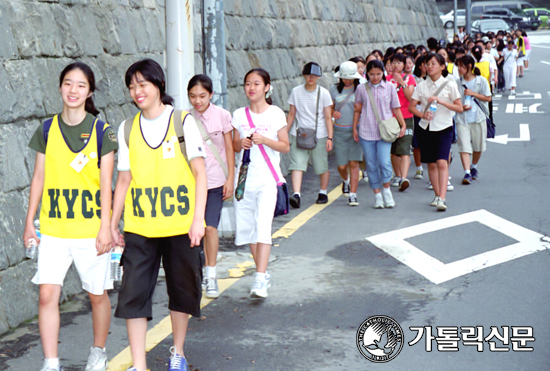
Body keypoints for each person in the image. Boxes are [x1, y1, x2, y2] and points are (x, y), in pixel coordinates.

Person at [110, 59, 207, 371]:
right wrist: (113, 224)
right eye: (132, 86)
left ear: (158, 86)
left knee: (183, 291)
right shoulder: (127, 128)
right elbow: (123, 179)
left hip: (181, 225)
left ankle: (177, 351)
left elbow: (200, 174)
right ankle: (139, 365)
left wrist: (197, 219)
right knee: (133, 295)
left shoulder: (182, 122)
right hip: (140, 227)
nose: (137, 91)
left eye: (143, 84)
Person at [24, 62, 116, 371]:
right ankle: (51, 362)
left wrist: (107, 228)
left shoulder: (102, 131)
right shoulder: (47, 129)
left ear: (89, 91)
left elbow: (107, 185)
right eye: (68, 83)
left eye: (80, 85)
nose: (73, 90)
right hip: (52, 228)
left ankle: (98, 351)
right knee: (47, 294)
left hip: (90, 230)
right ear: (60, 87)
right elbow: (38, 178)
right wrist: (29, 224)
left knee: (96, 294)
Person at [232, 68, 290, 298]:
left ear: (267, 87)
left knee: (263, 228)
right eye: (248, 83)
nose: (251, 88)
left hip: (267, 180)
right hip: (244, 180)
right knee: (249, 231)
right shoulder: (238, 115)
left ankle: (259, 278)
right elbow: (234, 146)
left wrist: (265, 140)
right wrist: (243, 143)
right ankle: (262, 273)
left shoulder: (275, 114)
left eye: (256, 83)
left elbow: (285, 146)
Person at [187, 74, 234, 299]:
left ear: (211, 95)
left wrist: (230, 179)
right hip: (191, 183)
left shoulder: (223, 116)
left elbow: (229, 149)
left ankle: (211, 275)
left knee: (210, 228)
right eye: (193, 96)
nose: (198, 101)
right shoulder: (184, 119)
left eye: (202, 96)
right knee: (192, 232)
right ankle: (195, 274)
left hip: (215, 181)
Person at [409, 53, 463, 212]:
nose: (430, 66)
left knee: (441, 162)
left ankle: (442, 198)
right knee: (431, 164)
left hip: (444, 127)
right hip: (426, 128)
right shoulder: (421, 85)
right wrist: (422, 115)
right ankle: (437, 195)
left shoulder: (449, 84)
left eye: (433, 63)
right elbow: (412, 107)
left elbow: (459, 107)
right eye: (428, 64)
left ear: (442, 66)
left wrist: (441, 101)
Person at [353, 60, 406, 209]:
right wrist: (354, 128)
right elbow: (357, 109)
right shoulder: (361, 89)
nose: (375, 77)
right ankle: (377, 194)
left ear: (383, 72)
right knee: (371, 164)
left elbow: (396, 108)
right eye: (371, 74)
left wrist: (402, 124)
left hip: (385, 132)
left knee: (384, 162)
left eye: (378, 74)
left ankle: (387, 190)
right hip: (366, 130)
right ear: (367, 74)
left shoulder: (389, 87)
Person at [286, 62, 333, 208]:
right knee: (297, 165)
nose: (311, 77)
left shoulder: (323, 93)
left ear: (318, 76)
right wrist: (284, 133)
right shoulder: (296, 91)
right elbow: (292, 113)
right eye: (308, 74)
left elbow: (327, 117)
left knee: (321, 165)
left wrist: (330, 137)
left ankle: (323, 192)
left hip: (319, 134)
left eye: (314, 75)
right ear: (304, 75)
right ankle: (297, 194)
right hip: (299, 133)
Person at [330, 61, 363, 206]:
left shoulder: (360, 89)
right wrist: (333, 112)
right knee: (342, 166)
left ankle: (353, 195)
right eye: (344, 77)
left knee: (353, 163)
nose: (347, 80)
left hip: (356, 130)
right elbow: (329, 108)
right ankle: (346, 181)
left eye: (350, 77)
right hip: (339, 131)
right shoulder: (333, 89)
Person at [454, 55, 492, 185]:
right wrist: (460, 107)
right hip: (462, 119)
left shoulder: (481, 81)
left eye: (461, 66)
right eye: (458, 66)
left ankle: (473, 166)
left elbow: (488, 98)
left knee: (478, 146)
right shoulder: (457, 83)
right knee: (464, 146)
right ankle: (467, 172)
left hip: (478, 118)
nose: (459, 69)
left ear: (469, 66)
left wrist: (473, 94)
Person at [387, 53, 417, 192]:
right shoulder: (386, 79)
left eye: (399, 62)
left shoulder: (409, 79)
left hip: (406, 117)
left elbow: (410, 97)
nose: (396, 65)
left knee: (405, 149)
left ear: (404, 65)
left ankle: (404, 178)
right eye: (393, 62)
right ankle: (398, 175)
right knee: (394, 151)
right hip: (390, 119)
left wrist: (402, 82)